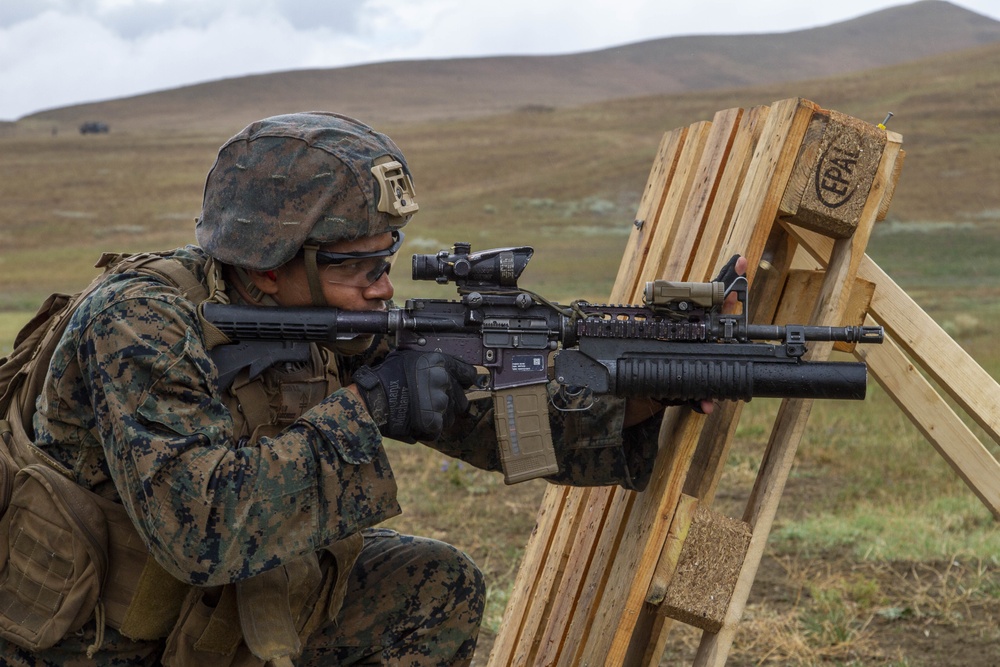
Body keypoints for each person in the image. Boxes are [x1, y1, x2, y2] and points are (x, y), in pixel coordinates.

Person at [0, 112, 675, 666]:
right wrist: (370, 407)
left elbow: (485, 419)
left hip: (215, 613)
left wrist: (644, 391)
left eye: (388, 257)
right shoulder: (139, 323)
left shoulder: (330, 317)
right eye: (360, 264)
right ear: (266, 267)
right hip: (94, 639)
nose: (383, 286)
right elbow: (199, 529)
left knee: (437, 585)